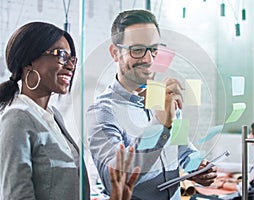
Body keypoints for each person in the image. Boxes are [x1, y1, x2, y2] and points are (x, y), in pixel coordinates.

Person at [0, 21, 139, 200]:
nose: (71, 66)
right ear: (29, 61)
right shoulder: (17, 117)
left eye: (72, 59)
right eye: (61, 55)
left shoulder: (53, 116)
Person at [87, 9, 217, 200]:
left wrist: (197, 166)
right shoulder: (102, 112)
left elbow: (183, 149)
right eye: (137, 50)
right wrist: (159, 124)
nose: (149, 60)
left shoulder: (163, 98)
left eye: (154, 49)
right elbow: (114, 179)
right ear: (115, 53)